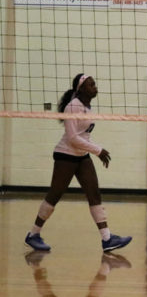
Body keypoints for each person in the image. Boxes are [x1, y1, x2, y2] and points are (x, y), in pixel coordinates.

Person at [24, 74, 132, 253]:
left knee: (94, 193)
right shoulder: (72, 106)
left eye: (95, 84)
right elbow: (73, 139)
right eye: (91, 84)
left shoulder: (88, 108)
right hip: (65, 155)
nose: (95, 87)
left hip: (82, 157)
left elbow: (83, 137)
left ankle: (107, 238)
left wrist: (93, 151)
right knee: (54, 195)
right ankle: (33, 234)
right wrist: (98, 150)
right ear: (81, 88)